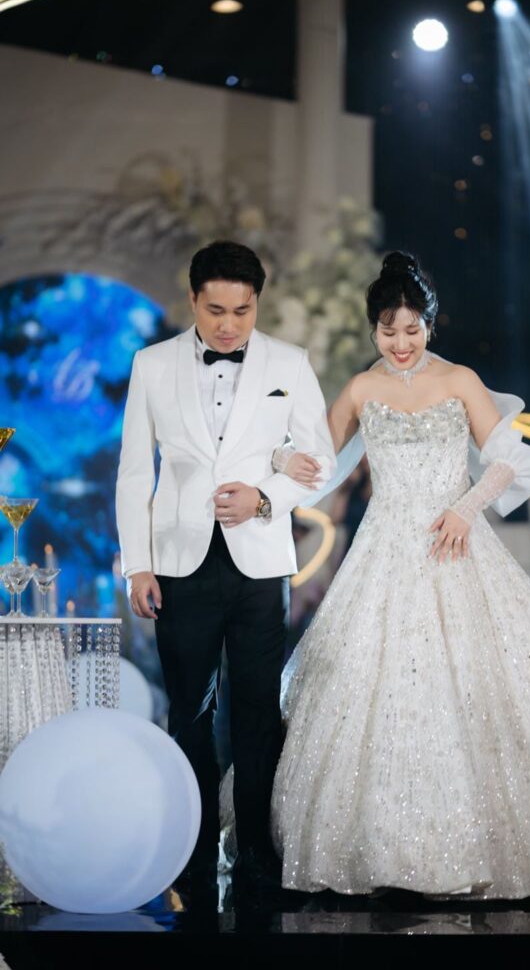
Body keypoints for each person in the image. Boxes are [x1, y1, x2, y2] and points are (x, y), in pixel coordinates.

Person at [219, 250, 530, 900]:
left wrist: (466, 508)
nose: (400, 344)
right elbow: (318, 464)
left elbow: (512, 460)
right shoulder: (360, 390)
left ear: (429, 325)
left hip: (455, 544)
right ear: (373, 330)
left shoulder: (460, 380)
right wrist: (274, 459)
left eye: (411, 330)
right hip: (382, 553)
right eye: (387, 331)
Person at [115, 240, 336, 900]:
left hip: (260, 562)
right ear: (192, 300)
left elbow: (321, 462)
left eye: (242, 311)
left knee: (257, 711)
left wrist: (264, 496)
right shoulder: (151, 364)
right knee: (188, 710)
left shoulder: (288, 363)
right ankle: (192, 848)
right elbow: (134, 473)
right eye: (215, 311)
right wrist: (138, 566)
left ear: (256, 303)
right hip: (177, 563)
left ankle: (256, 853)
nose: (229, 326)